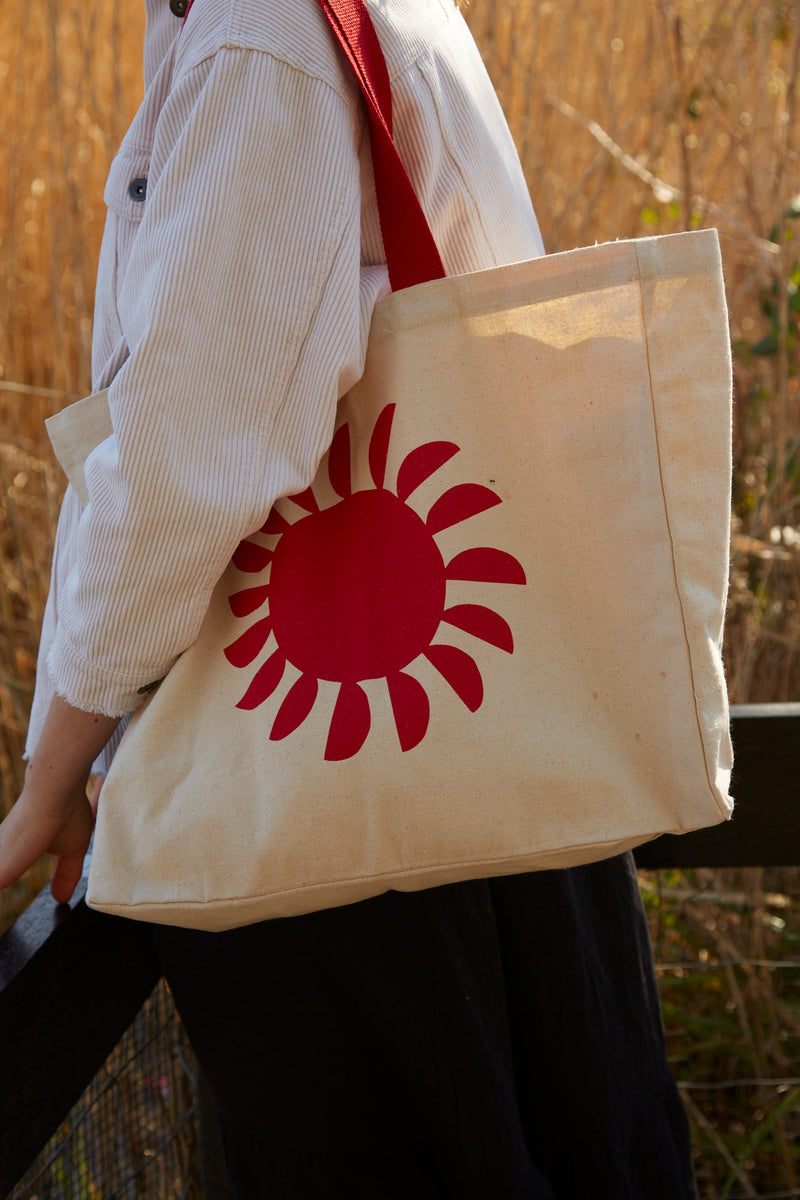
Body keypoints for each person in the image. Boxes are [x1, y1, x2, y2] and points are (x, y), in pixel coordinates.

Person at [0, 0, 699, 1195]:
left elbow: (184, 462)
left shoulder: (255, 40)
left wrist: (51, 779)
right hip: (493, 747)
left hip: (342, 799)